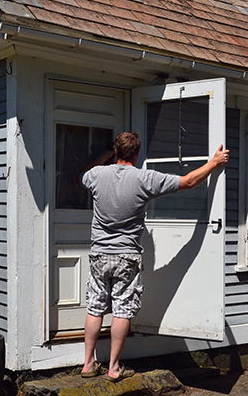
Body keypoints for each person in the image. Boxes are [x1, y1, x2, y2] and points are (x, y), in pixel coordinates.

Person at [79, 131, 229, 382]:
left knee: (95, 308)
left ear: (116, 151)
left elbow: (80, 176)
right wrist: (214, 163)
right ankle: (114, 367)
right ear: (137, 154)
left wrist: (105, 154)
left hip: (99, 253)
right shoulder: (144, 178)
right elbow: (189, 182)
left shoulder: (96, 175)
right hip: (126, 254)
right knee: (122, 310)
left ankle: (87, 364)